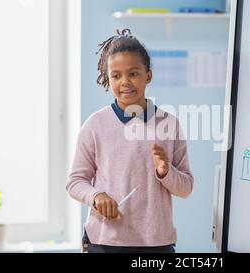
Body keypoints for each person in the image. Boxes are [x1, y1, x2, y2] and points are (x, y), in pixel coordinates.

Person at [66, 29, 194, 253]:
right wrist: (96, 196)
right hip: (105, 242)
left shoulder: (169, 124)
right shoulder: (95, 125)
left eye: (133, 73)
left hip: (157, 246)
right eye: (116, 75)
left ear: (148, 76)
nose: (125, 82)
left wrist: (165, 172)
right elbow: (75, 182)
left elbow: (186, 188)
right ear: (108, 78)